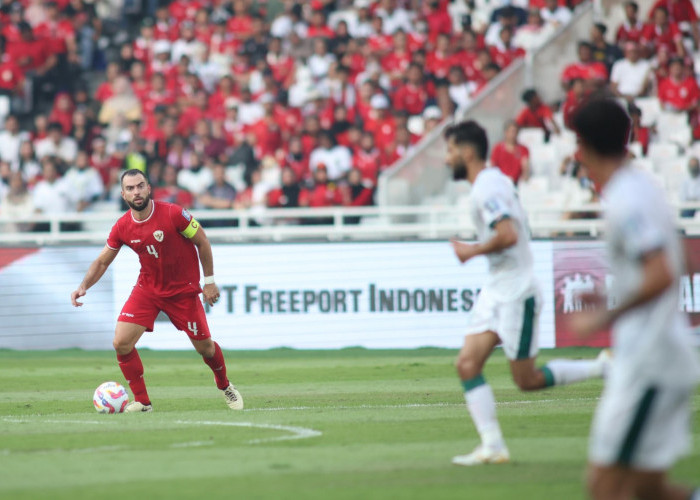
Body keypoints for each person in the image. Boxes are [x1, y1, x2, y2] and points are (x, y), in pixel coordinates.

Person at [443, 120, 610, 466]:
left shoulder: (486, 189)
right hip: (497, 288)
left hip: (517, 291)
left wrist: (470, 251)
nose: (447, 159)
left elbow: (508, 235)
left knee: (527, 380)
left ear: (467, 151)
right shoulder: (493, 181)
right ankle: (492, 446)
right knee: (467, 364)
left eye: (450, 150)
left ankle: (600, 368)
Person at [572, 99, 700, 499]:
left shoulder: (626, 199)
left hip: (649, 363)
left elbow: (660, 272)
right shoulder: (640, 185)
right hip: (659, 355)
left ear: (585, 147)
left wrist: (605, 315)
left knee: (604, 486)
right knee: (648, 491)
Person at [70, 169, 243, 413]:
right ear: (122, 194)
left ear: (149, 188)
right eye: (130, 188)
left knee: (205, 348)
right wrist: (83, 286)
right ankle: (143, 402)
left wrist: (210, 281)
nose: (136, 192)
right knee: (121, 342)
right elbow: (102, 262)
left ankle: (224, 385)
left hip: (182, 292)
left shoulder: (173, 214)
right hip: (148, 290)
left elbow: (202, 241)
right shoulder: (122, 227)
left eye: (140, 186)